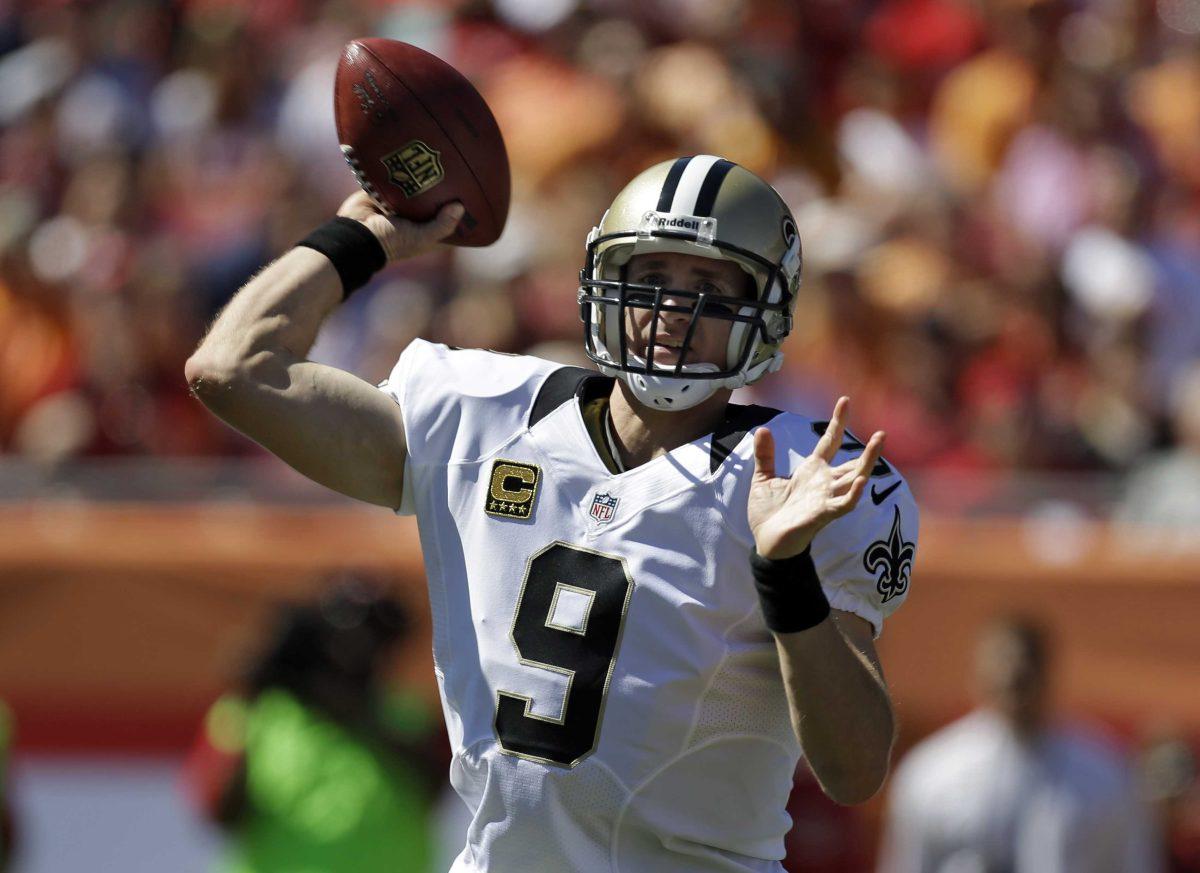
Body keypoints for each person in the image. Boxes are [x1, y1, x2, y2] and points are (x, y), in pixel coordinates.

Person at [186, 155, 919, 871]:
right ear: (605, 279)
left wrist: (786, 576)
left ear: (765, 308)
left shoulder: (797, 475)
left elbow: (854, 770)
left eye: (709, 285)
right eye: (653, 276)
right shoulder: (483, 415)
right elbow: (231, 370)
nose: (672, 308)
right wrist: (359, 242)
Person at [181, 576, 443, 873]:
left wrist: (363, 716)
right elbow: (216, 810)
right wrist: (255, 695)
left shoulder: (402, 715)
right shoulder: (252, 714)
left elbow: (441, 786)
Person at [876, 615, 1161, 873]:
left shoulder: (1103, 771)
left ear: (1046, 672)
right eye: (1001, 667)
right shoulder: (933, 772)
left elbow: (1132, 861)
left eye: (1023, 673)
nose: (1012, 680)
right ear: (977, 673)